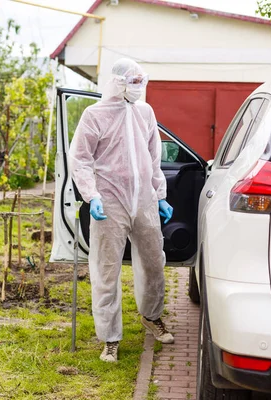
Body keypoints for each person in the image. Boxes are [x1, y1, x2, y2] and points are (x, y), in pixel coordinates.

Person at [69, 58, 174, 363]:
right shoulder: (94, 115)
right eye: (133, 82)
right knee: (106, 269)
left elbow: (154, 157)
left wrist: (161, 195)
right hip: (109, 201)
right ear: (117, 82)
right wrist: (92, 196)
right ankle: (110, 338)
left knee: (154, 262)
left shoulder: (145, 112)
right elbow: (81, 159)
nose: (139, 88)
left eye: (142, 82)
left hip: (144, 199)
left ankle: (151, 317)